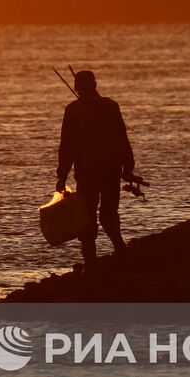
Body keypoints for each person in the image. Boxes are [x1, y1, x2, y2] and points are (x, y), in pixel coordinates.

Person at [55, 69, 135, 267]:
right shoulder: (111, 106)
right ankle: (120, 250)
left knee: (88, 217)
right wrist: (128, 167)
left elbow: (67, 146)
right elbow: (122, 139)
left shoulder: (73, 110)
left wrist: (62, 176)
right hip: (111, 170)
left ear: (76, 87)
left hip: (87, 173)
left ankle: (91, 264)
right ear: (95, 85)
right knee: (109, 213)